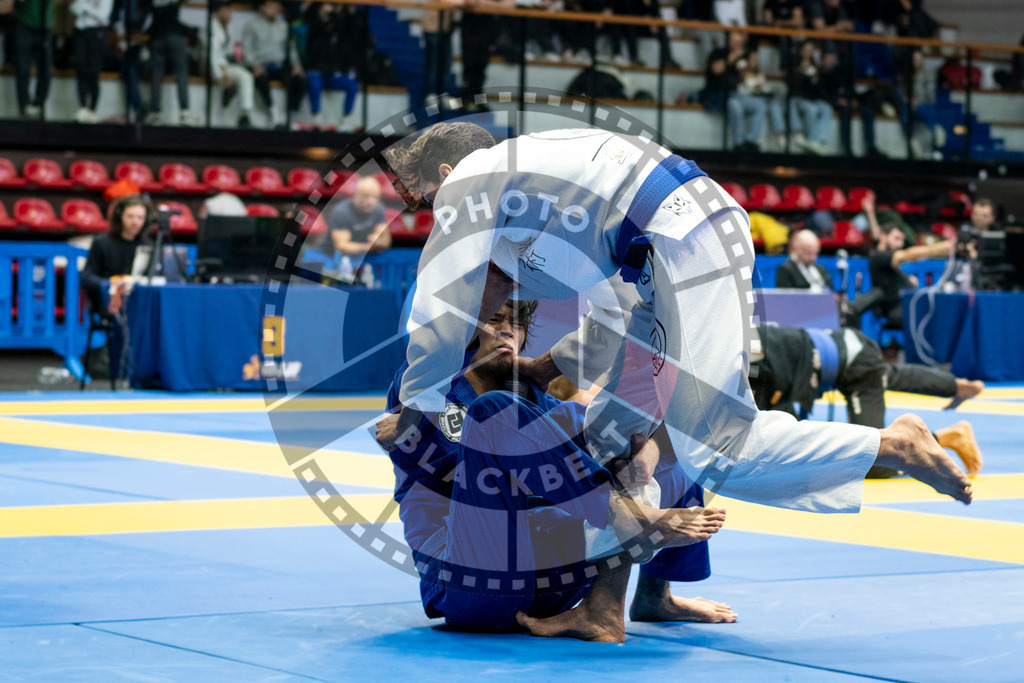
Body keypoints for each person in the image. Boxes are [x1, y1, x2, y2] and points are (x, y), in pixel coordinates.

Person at [376, 123, 972, 554]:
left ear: (446, 175)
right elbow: (614, 301)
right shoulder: (536, 187)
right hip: (677, 241)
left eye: (425, 197)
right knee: (614, 442)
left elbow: (440, 302)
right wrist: (554, 365)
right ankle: (607, 608)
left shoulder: (471, 183)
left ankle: (893, 445)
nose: (430, 214)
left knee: (719, 450)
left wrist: (417, 406)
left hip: (678, 238)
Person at [384, 298, 733, 639]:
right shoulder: (426, 388)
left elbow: (626, 434)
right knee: (493, 413)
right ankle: (623, 515)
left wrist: (645, 454)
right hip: (473, 578)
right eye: (493, 320)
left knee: (656, 446)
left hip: (550, 583)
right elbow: (458, 473)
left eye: (516, 323)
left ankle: (653, 596)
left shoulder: (540, 405)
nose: (507, 331)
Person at [752, 323, 984, 478]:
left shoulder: (751, 365)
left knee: (872, 462)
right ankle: (955, 385)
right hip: (848, 345)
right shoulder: (744, 342)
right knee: (886, 375)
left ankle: (947, 437)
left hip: (853, 365)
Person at [848, 197, 951, 329]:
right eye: (896, 238)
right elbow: (903, 255)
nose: (900, 244)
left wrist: (908, 280)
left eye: (902, 240)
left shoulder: (893, 264)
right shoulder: (878, 257)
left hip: (907, 305)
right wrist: (938, 249)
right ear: (883, 236)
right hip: (895, 310)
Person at [243, 0, 306, 129]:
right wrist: (254, 65)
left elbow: (291, 48)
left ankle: (290, 115)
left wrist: (296, 64)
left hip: (279, 65)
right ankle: (273, 113)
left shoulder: (284, 26)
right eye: (270, 6)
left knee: (300, 79)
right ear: (262, 8)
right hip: (261, 65)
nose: (274, 9)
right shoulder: (252, 25)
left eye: (276, 6)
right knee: (260, 78)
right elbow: (247, 49)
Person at [302, 3, 361, 132]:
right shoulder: (314, 28)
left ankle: (346, 119)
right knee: (314, 81)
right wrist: (324, 25)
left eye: (330, 13)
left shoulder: (339, 30)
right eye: (324, 13)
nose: (327, 16)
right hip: (317, 72)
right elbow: (312, 51)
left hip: (332, 74)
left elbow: (354, 31)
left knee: (352, 85)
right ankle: (316, 117)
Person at [145, 0, 196, 126]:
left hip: (157, 35)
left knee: (157, 74)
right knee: (181, 72)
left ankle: (155, 112)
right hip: (174, 34)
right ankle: (184, 112)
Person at [209, 1, 253, 128]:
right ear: (218, 12)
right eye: (225, 11)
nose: (228, 14)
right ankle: (227, 92)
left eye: (229, 10)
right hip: (213, 67)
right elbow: (213, 56)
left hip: (224, 64)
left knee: (246, 76)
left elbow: (226, 52)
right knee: (231, 81)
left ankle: (245, 114)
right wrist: (223, 75)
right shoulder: (211, 27)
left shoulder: (227, 27)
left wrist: (236, 56)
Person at [325, 176, 391, 256]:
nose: (371, 201)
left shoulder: (379, 208)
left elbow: (385, 240)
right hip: (330, 256)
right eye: (366, 196)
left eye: (375, 197)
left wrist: (378, 241)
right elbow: (341, 247)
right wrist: (369, 247)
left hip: (361, 256)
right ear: (356, 194)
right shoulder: (341, 211)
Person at [787, 41, 833, 155]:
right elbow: (792, 87)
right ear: (802, 51)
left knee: (827, 109)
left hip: (813, 98)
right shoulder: (795, 65)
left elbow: (819, 88)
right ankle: (811, 139)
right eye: (806, 50)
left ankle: (819, 140)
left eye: (811, 50)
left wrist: (816, 79)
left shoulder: (816, 67)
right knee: (811, 110)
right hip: (800, 98)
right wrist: (802, 73)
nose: (808, 53)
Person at [70, 0, 112, 123]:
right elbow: (74, 8)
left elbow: (103, 14)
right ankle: (82, 107)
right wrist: (84, 7)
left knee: (93, 72)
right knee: (81, 70)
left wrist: (86, 8)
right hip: (81, 32)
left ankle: (93, 110)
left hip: (97, 32)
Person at [13, 0, 54, 119]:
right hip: (26, 25)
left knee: (45, 69)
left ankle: (39, 103)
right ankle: (24, 105)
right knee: (22, 69)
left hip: (44, 28)